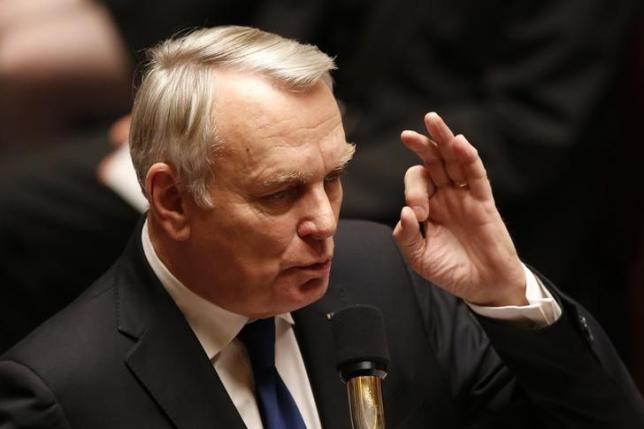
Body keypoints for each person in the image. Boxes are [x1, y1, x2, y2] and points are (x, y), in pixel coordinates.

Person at [0, 26, 642, 428]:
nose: (325, 221)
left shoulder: (389, 277)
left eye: (332, 178)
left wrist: (504, 292)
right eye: (280, 193)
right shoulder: (58, 394)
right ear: (171, 199)